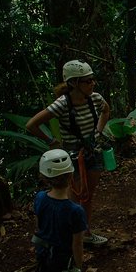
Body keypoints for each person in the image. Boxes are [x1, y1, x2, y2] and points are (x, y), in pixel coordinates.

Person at [27, 60, 110, 246]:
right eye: (87, 81)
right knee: (74, 198)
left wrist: (98, 131)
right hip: (73, 158)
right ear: (74, 83)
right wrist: (51, 142)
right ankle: (70, 237)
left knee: (88, 196)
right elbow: (31, 124)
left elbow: (106, 111)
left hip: (93, 153)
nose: (92, 83)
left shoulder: (95, 98)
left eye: (92, 80)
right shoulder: (61, 105)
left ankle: (85, 233)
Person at [32, 149, 87, 272]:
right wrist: (79, 269)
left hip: (44, 254)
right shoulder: (75, 211)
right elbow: (77, 243)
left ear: (44, 176)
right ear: (71, 175)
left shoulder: (39, 198)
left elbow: (38, 225)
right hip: (63, 259)